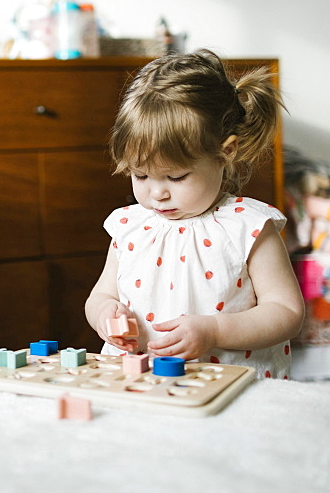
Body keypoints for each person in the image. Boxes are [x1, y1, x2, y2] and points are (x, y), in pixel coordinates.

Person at [85, 49, 304, 379]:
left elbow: (286, 311)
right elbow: (101, 294)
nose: (157, 192)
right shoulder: (129, 226)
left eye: (175, 177)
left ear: (223, 153)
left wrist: (215, 331)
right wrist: (105, 313)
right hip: (143, 376)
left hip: (230, 383)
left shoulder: (248, 227)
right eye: (140, 175)